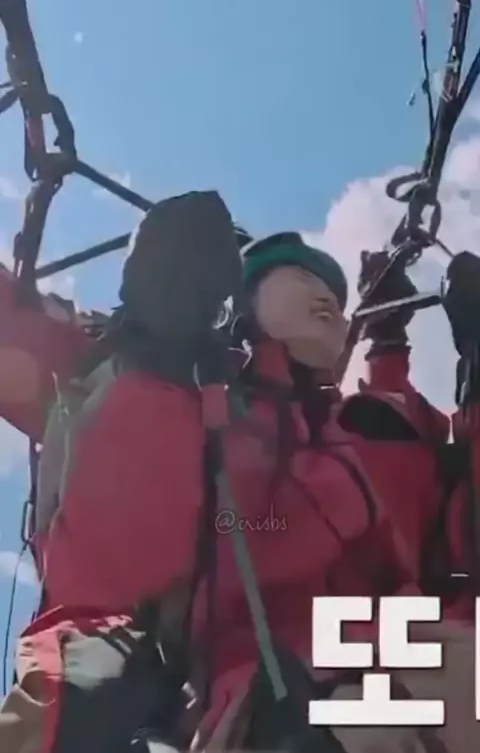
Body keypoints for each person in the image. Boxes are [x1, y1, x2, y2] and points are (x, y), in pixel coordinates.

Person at [0, 189, 477, 753]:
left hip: (432, 672)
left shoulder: (374, 430)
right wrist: (151, 344)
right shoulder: (203, 407)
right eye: (299, 277)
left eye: (335, 291)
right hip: (276, 701)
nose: (326, 297)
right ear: (243, 306)